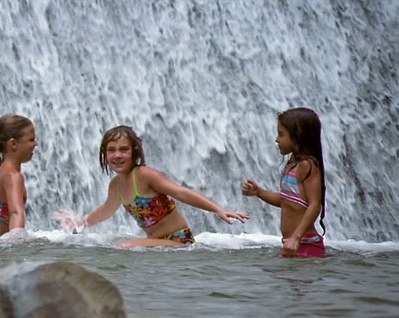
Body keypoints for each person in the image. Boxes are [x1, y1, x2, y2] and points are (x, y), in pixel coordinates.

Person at [54, 125, 249, 248]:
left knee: (125, 246)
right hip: (159, 243)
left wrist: (218, 209)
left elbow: (181, 192)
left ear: (134, 152)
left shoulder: (145, 176)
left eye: (124, 150)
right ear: (104, 155)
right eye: (111, 150)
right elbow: (106, 210)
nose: (117, 155)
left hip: (179, 241)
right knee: (107, 244)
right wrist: (81, 222)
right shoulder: (116, 185)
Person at [242, 107, 326, 258]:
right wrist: (259, 192)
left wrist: (296, 237)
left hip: (306, 244)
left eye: (281, 134)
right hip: (291, 244)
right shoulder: (291, 165)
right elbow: (286, 201)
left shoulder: (308, 166)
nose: (276, 139)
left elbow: (315, 205)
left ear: (298, 137)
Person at [0, 113, 37, 238]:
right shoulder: (13, 176)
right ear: (13, 144)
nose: (35, 144)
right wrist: (16, 245)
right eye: (31, 139)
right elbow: (16, 213)